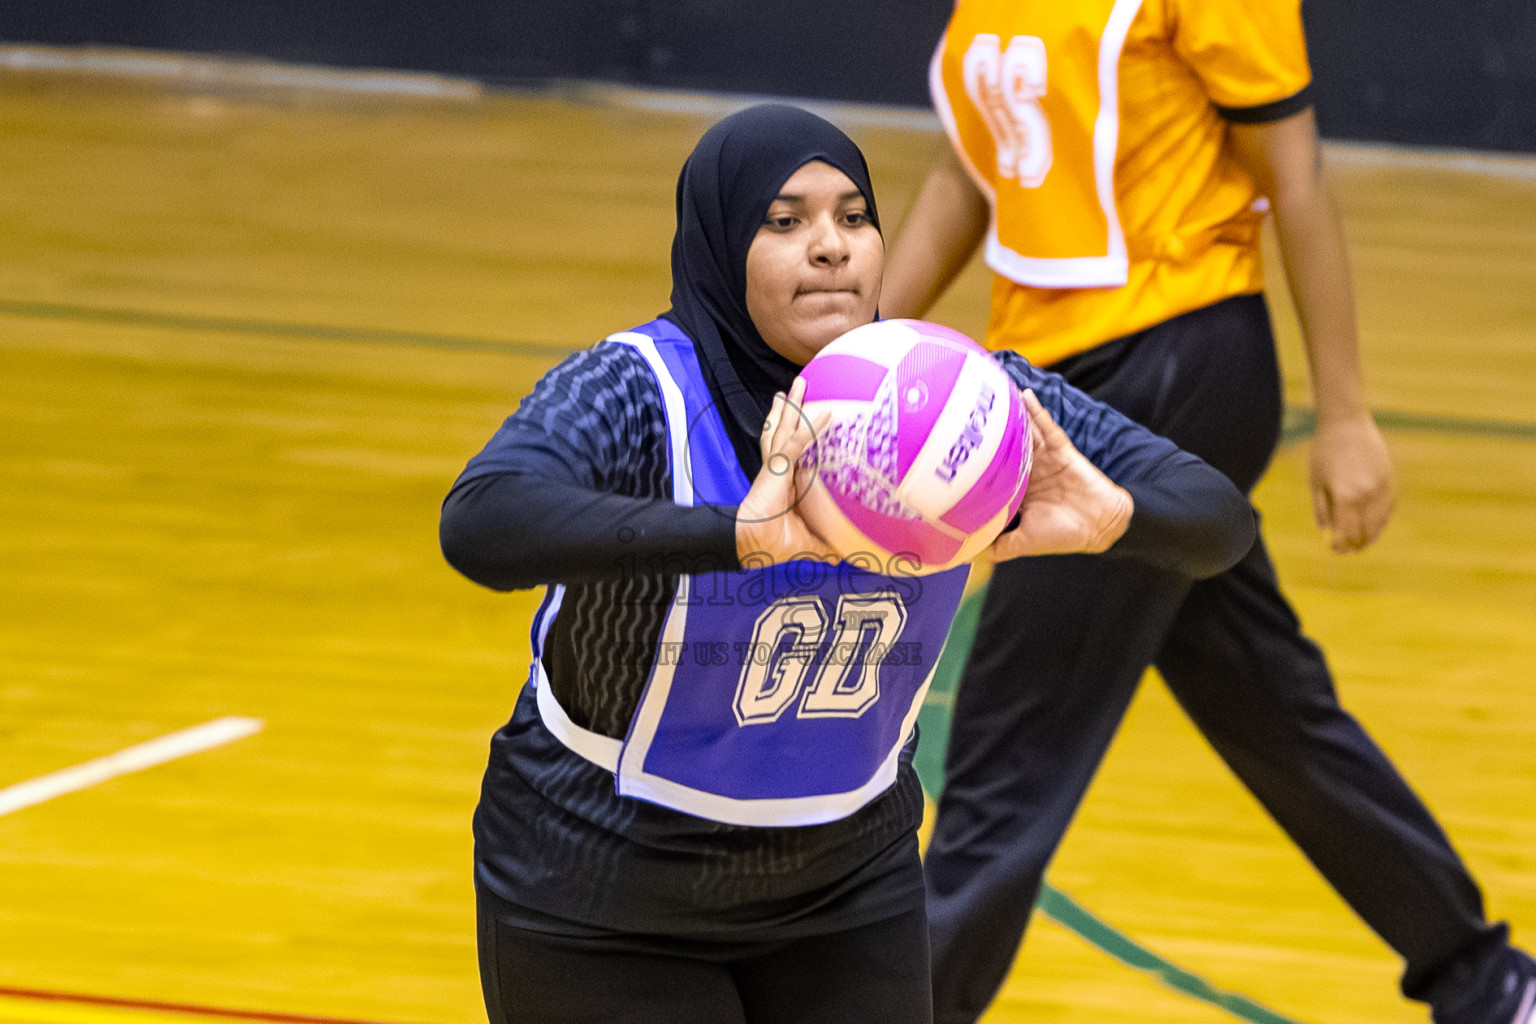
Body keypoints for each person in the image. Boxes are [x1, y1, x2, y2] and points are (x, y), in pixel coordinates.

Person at [439, 102, 1256, 1024]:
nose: (831, 247)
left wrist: (1120, 516)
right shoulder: (640, 390)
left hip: (845, 892)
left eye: (854, 216)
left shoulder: (966, 407)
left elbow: (1217, 520)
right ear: (718, 249)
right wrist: (733, 538)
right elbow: (482, 522)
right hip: (598, 891)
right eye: (784, 223)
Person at [879, 3, 1536, 1024]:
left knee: (1008, 763)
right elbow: (969, 172)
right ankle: (1483, 979)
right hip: (1058, 382)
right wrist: (857, 349)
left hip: (1174, 372)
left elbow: (1297, 179)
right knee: (1270, 707)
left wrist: (1347, 410)